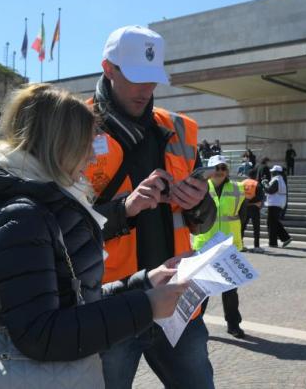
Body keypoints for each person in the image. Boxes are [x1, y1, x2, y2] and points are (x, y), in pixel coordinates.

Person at [0, 84, 188, 383]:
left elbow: (73, 298)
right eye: (86, 144)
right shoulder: (24, 216)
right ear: (60, 144)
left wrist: (143, 283)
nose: (91, 157)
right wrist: (147, 305)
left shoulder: (39, 205)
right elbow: (42, 334)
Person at [85, 25, 216, 388]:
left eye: (153, 78)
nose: (148, 89)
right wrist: (123, 208)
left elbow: (202, 223)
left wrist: (200, 204)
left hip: (178, 303)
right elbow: (59, 229)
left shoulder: (179, 129)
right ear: (108, 68)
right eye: (136, 77)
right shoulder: (74, 129)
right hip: (110, 306)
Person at [193, 155, 246, 338]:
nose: (220, 171)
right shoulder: (200, 188)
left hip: (228, 245)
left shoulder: (237, 188)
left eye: (223, 167)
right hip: (205, 245)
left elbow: (244, 214)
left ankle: (233, 324)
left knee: (230, 290)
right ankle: (196, 325)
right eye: (216, 168)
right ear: (209, 170)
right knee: (202, 290)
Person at [262, 165, 292, 248]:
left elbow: (270, 190)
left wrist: (264, 183)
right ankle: (285, 238)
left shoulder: (276, 180)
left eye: (272, 172)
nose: (271, 173)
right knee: (274, 222)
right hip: (278, 203)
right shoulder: (281, 179)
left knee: (271, 224)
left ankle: (273, 242)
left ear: (276, 172)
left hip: (274, 204)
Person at [240, 168, 265, 252]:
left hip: (243, 208)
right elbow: (260, 197)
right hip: (254, 208)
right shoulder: (256, 184)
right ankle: (256, 246)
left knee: (242, 227)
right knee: (256, 228)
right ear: (255, 175)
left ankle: (240, 245)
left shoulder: (242, 183)